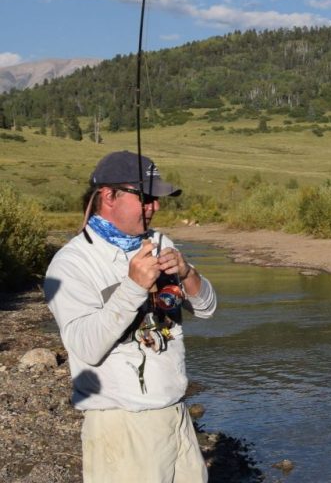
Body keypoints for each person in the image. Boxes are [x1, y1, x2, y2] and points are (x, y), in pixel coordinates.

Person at [45, 150, 217, 483]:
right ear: (108, 196)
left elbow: (208, 308)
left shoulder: (160, 242)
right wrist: (133, 286)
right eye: (147, 198)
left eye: (157, 199)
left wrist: (187, 273)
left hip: (176, 415)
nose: (155, 207)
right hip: (121, 423)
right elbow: (85, 346)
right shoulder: (71, 263)